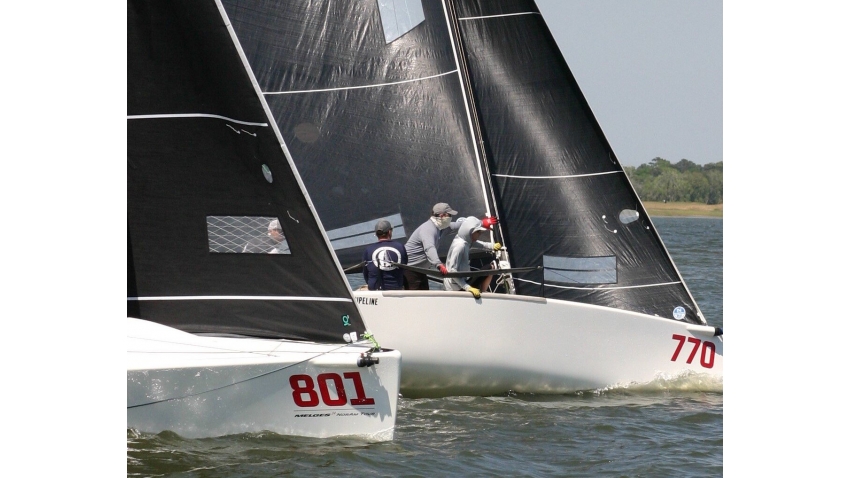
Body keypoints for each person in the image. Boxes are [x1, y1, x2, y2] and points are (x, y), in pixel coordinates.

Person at [403, 202, 461, 290]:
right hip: (409, 270)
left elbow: (459, 225)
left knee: (425, 298)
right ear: (441, 216)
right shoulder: (428, 228)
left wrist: (482, 223)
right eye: (449, 215)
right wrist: (439, 264)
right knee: (414, 300)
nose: (450, 218)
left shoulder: (441, 227)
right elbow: (429, 248)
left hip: (420, 270)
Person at [443, 216, 501, 299]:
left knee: (487, 268)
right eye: (478, 232)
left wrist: (493, 246)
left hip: (460, 283)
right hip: (456, 289)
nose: (479, 234)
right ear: (470, 232)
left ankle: (480, 291)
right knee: (490, 268)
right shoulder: (460, 246)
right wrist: (468, 288)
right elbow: (452, 271)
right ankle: (483, 295)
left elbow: (480, 244)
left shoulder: (465, 239)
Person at [362, 219, 408, 290]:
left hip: (375, 289)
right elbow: (404, 267)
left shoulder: (368, 250)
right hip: (395, 288)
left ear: (376, 234)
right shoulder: (400, 247)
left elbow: (365, 273)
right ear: (389, 232)